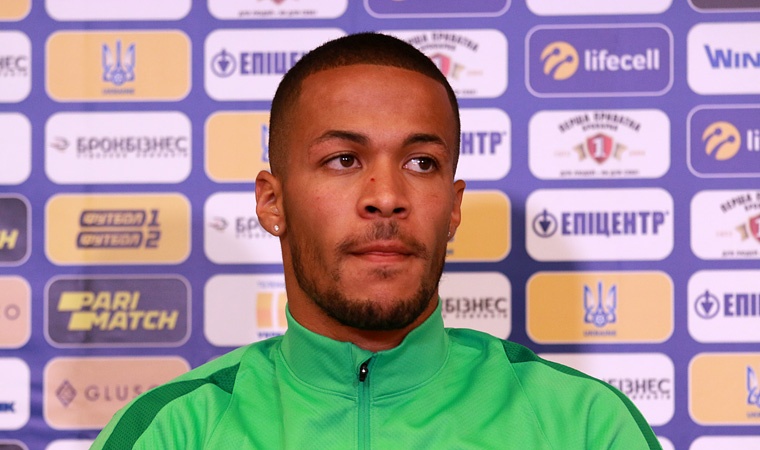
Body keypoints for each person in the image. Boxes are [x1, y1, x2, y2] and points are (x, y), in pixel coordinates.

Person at [91, 33, 661, 449]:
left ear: (454, 207)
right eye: (343, 159)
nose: (386, 196)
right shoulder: (172, 431)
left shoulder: (584, 425)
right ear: (272, 202)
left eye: (421, 162)